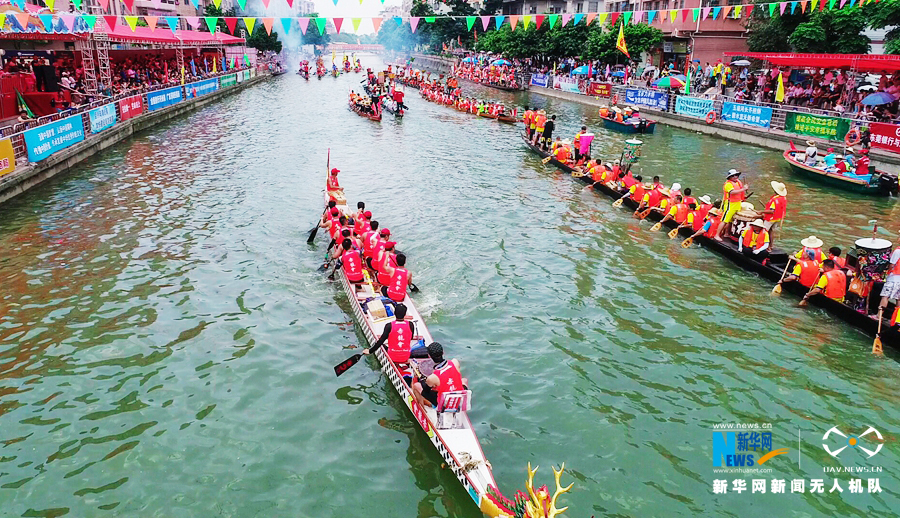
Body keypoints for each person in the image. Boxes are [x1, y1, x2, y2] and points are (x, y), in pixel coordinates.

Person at [412, 342, 465, 408]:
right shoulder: (455, 362)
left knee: (416, 386)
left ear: (429, 356)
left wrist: (422, 379)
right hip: (459, 398)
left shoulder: (432, 378)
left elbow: (426, 390)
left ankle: (422, 408)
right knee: (464, 380)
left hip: (443, 404)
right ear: (443, 352)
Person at [715, 169, 748, 241]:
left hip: (737, 203)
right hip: (730, 204)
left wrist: (743, 197)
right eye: (733, 176)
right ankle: (717, 235)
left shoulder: (738, 183)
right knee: (725, 220)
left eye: (736, 175)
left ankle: (727, 233)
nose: (735, 177)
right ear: (730, 177)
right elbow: (732, 192)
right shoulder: (728, 184)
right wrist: (743, 189)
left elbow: (739, 193)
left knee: (731, 220)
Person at [878, 232, 900, 318]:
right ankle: (897, 318)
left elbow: (892, 264)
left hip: (894, 278)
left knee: (885, 296)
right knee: (898, 299)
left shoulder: (898, 251)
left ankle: (879, 316)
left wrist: (885, 271)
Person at [760, 181, 787, 246]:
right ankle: (771, 245)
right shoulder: (783, 198)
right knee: (771, 231)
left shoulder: (775, 200)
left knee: (764, 231)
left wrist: (761, 211)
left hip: (771, 218)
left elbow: (772, 211)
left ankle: (763, 245)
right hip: (777, 218)